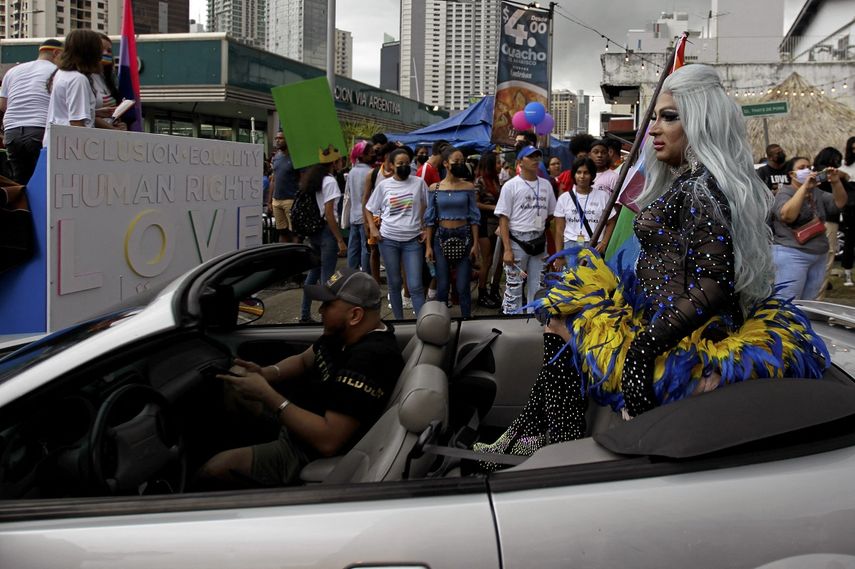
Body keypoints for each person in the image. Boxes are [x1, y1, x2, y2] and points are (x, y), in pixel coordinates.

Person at [474, 64, 829, 463]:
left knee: (560, 323)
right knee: (559, 316)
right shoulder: (688, 180)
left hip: (679, 341)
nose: (654, 128)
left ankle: (550, 442)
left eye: (669, 117)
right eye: (655, 117)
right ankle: (535, 437)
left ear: (701, 121)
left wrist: (644, 349)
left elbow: (714, 284)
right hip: (660, 321)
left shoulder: (701, 188)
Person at [197, 268, 404, 488]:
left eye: (328, 304)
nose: (321, 310)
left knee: (213, 469)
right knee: (235, 381)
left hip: (306, 451)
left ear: (355, 315)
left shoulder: (370, 359)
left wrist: (267, 394)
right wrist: (266, 373)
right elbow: (304, 360)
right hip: (299, 423)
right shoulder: (344, 334)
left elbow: (328, 441)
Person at [366, 147, 429, 319]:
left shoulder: (419, 184)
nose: (404, 166)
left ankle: (423, 323)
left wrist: (425, 229)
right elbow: (369, 208)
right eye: (400, 163)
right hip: (388, 240)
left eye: (407, 163)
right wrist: (372, 228)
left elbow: (429, 208)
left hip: (413, 241)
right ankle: (399, 323)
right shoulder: (383, 186)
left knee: (415, 285)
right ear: (392, 165)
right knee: (394, 283)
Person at [771, 156, 847, 300]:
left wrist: (836, 182)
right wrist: (804, 187)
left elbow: (839, 203)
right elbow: (787, 216)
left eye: (809, 167)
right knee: (787, 303)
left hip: (818, 254)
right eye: (801, 168)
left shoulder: (816, 192)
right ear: (792, 174)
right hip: (792, 254)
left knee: (809, 304)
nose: (807, 170)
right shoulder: (785, 192)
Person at [495, 145, 556, 314]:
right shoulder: (510, 186)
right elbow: (503, 218)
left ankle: (532, 323)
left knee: (538, 287)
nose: (536, 160)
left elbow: (551, 214)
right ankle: (511, 323)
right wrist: (507, 249)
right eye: (531, 157)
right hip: (517, 241)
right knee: (514, 286)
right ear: (520, 161)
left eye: (538, 156)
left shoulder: (546, 185)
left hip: (539, 240)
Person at [424, 146, 480, 318]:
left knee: (463, 286)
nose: (460, 164)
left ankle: (466, 321)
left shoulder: (468, 187)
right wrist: (428, 246)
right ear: (446, 164)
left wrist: (475, 244)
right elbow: (430, 219)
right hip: (441, 237)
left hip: (464, 236)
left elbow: (474, 217)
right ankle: (441, 322)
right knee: (442, 285)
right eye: (456, 161)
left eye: (462, 162)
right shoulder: (435, 188)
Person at [0, 38, 62, 183]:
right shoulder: (57, 72)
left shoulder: (13, 71)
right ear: (56, 52)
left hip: (12, 132)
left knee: (19, 180)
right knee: (43, 180)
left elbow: (2, 105)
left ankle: (21, 206)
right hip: (40, 129)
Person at [298, 152, 347, 323]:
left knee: (313, 274)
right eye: (341, 160)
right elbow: (329, 213)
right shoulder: (331, 181)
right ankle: (328, 317)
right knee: (328, 277)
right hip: (327, 231)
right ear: (334, 162)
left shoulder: (316, 180)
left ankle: (304, 314)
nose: (342, 162)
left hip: (316, 232)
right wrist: (339, 239)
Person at [44, 30, 105, 145]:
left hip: (54, 145)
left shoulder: (61, 74)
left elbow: (64, 112)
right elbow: (77, 124)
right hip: (68, 150)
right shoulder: (78, 80)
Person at [553, 156, 616, 262]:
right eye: (579, 172)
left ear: (592, 175)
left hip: (594, 246)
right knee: (572, 278)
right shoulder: (564, 198)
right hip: (571, 245)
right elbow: (559, 230)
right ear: (574, 174)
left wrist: (604, 243)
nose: (582, 176)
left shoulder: (603, 196)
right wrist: (559, 256)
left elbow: (611, 222)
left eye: (586, 173)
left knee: (592, 278)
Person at [811, 147, 852, 296]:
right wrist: (841, 175)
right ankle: (818, 299)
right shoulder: (821, 173)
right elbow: (828, 176)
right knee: (827, 258)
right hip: (827, 219)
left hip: (824, 219)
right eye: (836, 160)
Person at [474, 152, 502, 308]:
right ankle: (482, 292)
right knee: (488, 260)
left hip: (497, 224)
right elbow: (475, 203)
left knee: (498, 260)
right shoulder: (480, 181)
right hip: (484, 223)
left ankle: (494, 290)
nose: (500, 165)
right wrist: (493, 207)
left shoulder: (496, 181)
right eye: (497, 162)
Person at [345, 140, 373, 272]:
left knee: (353, 247)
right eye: (370, 153)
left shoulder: (352, 172)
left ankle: (351, 273)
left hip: (353, 215)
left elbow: (348, 193)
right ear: (363, 155)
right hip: (366, 216)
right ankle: (365, 274)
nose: (373, 155)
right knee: (365, 248)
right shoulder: (370, 172)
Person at [270, 131, 301, 243]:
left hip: (290, 199)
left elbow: (301, 179)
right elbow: (273, 179)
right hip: (276, 200)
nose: (278, 140)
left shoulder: (295, 158)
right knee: (282, 231)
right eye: (276, 138)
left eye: (281, 138)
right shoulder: (276, 157)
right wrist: (270, 200)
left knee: (294, 232)